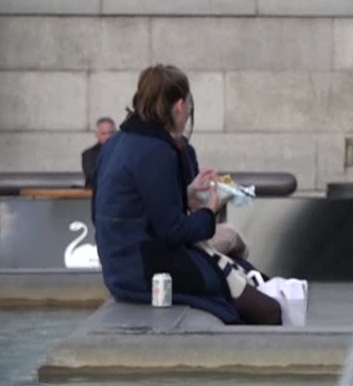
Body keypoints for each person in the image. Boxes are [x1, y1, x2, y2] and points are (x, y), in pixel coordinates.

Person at [92, 65, 281, 325]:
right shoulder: (157, 151)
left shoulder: (116, 143)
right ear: (180, 106)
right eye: (190, 105)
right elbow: (174, 231)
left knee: (245, 274)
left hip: (119, 270)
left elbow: (125, 211)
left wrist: (186, 194)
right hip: (148, 273)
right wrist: (209, 209)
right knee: (269, 310)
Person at [81, 116, 117, 189]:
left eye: (111, 133)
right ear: (97, 135)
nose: (108, 136)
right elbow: (93, 176)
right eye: (103, 133)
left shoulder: (122, 152)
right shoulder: (89, 154)